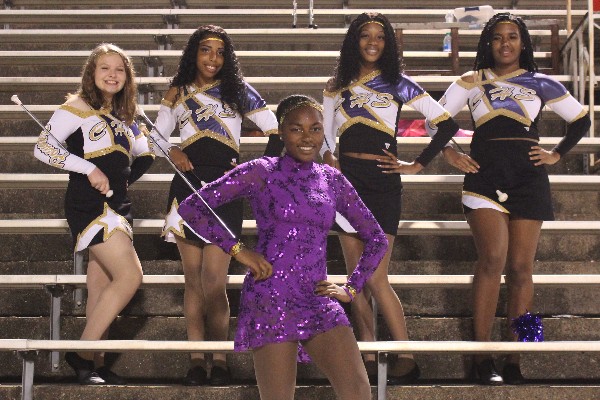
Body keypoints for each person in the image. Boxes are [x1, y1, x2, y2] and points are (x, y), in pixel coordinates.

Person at [177, 94, 387, 400]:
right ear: (281, 131)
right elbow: (193, 206)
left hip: (317, 298)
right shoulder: (262, 170)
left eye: (315, 129)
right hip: (271, 296)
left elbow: (377, 238)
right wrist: (238, 250)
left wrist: (351, 289)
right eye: (296, 129)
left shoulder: (332, 180)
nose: (307, 138)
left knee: (357, 391)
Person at [425, 13, 591, 385]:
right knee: (493, 259)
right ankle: (481, 356)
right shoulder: (471, 81)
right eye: (497, 37)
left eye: (512, 36)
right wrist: (449, 153)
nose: (505, 43)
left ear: (523, 43)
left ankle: (518, 354)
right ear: (487, 43)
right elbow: (432, 119)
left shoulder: (541, 83)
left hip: (529, 179)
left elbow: (581, 120)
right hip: (484, 175)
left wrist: (556, 154)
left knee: (521, 270)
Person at [321, 12, 460, 384]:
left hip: (384, 184)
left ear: (388, 43)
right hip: (347, 184)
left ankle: (406, 355)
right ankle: (365, 353)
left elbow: (447, 124)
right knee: (356, 278)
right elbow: (325, 142)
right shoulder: (336, 86)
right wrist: (329, 165)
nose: (372, 42)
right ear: (354, 40)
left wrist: (417, 164)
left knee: (377, 278)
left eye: (379, 37)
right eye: (364, 35)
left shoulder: (398, 83)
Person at [149, 25, 280, 386]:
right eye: (206, 50)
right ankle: (195, 359)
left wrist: (255, 173)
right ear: (194, 53)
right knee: (192, 281)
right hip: (187, 188)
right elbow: (156, 136)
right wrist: (172, 149)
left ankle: (220, 357)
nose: (212, 58)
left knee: (214, 281)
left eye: (220, 52)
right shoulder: (178, 92)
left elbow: (277, 130)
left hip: (226, 190)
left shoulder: (237, 91)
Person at [33, 43, 154, 384]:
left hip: (118, 204)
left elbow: (145, 154)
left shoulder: (126, 117)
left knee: (100, 286)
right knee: (131, 277)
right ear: (92, 73)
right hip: (90, 202)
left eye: (119, 69)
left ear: (127, 77)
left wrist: (126, 177)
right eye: (105, 68)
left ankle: (94, 364)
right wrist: (88, 168)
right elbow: (43, 147)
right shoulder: (78, 106)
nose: (112, 74)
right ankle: (82, 352)